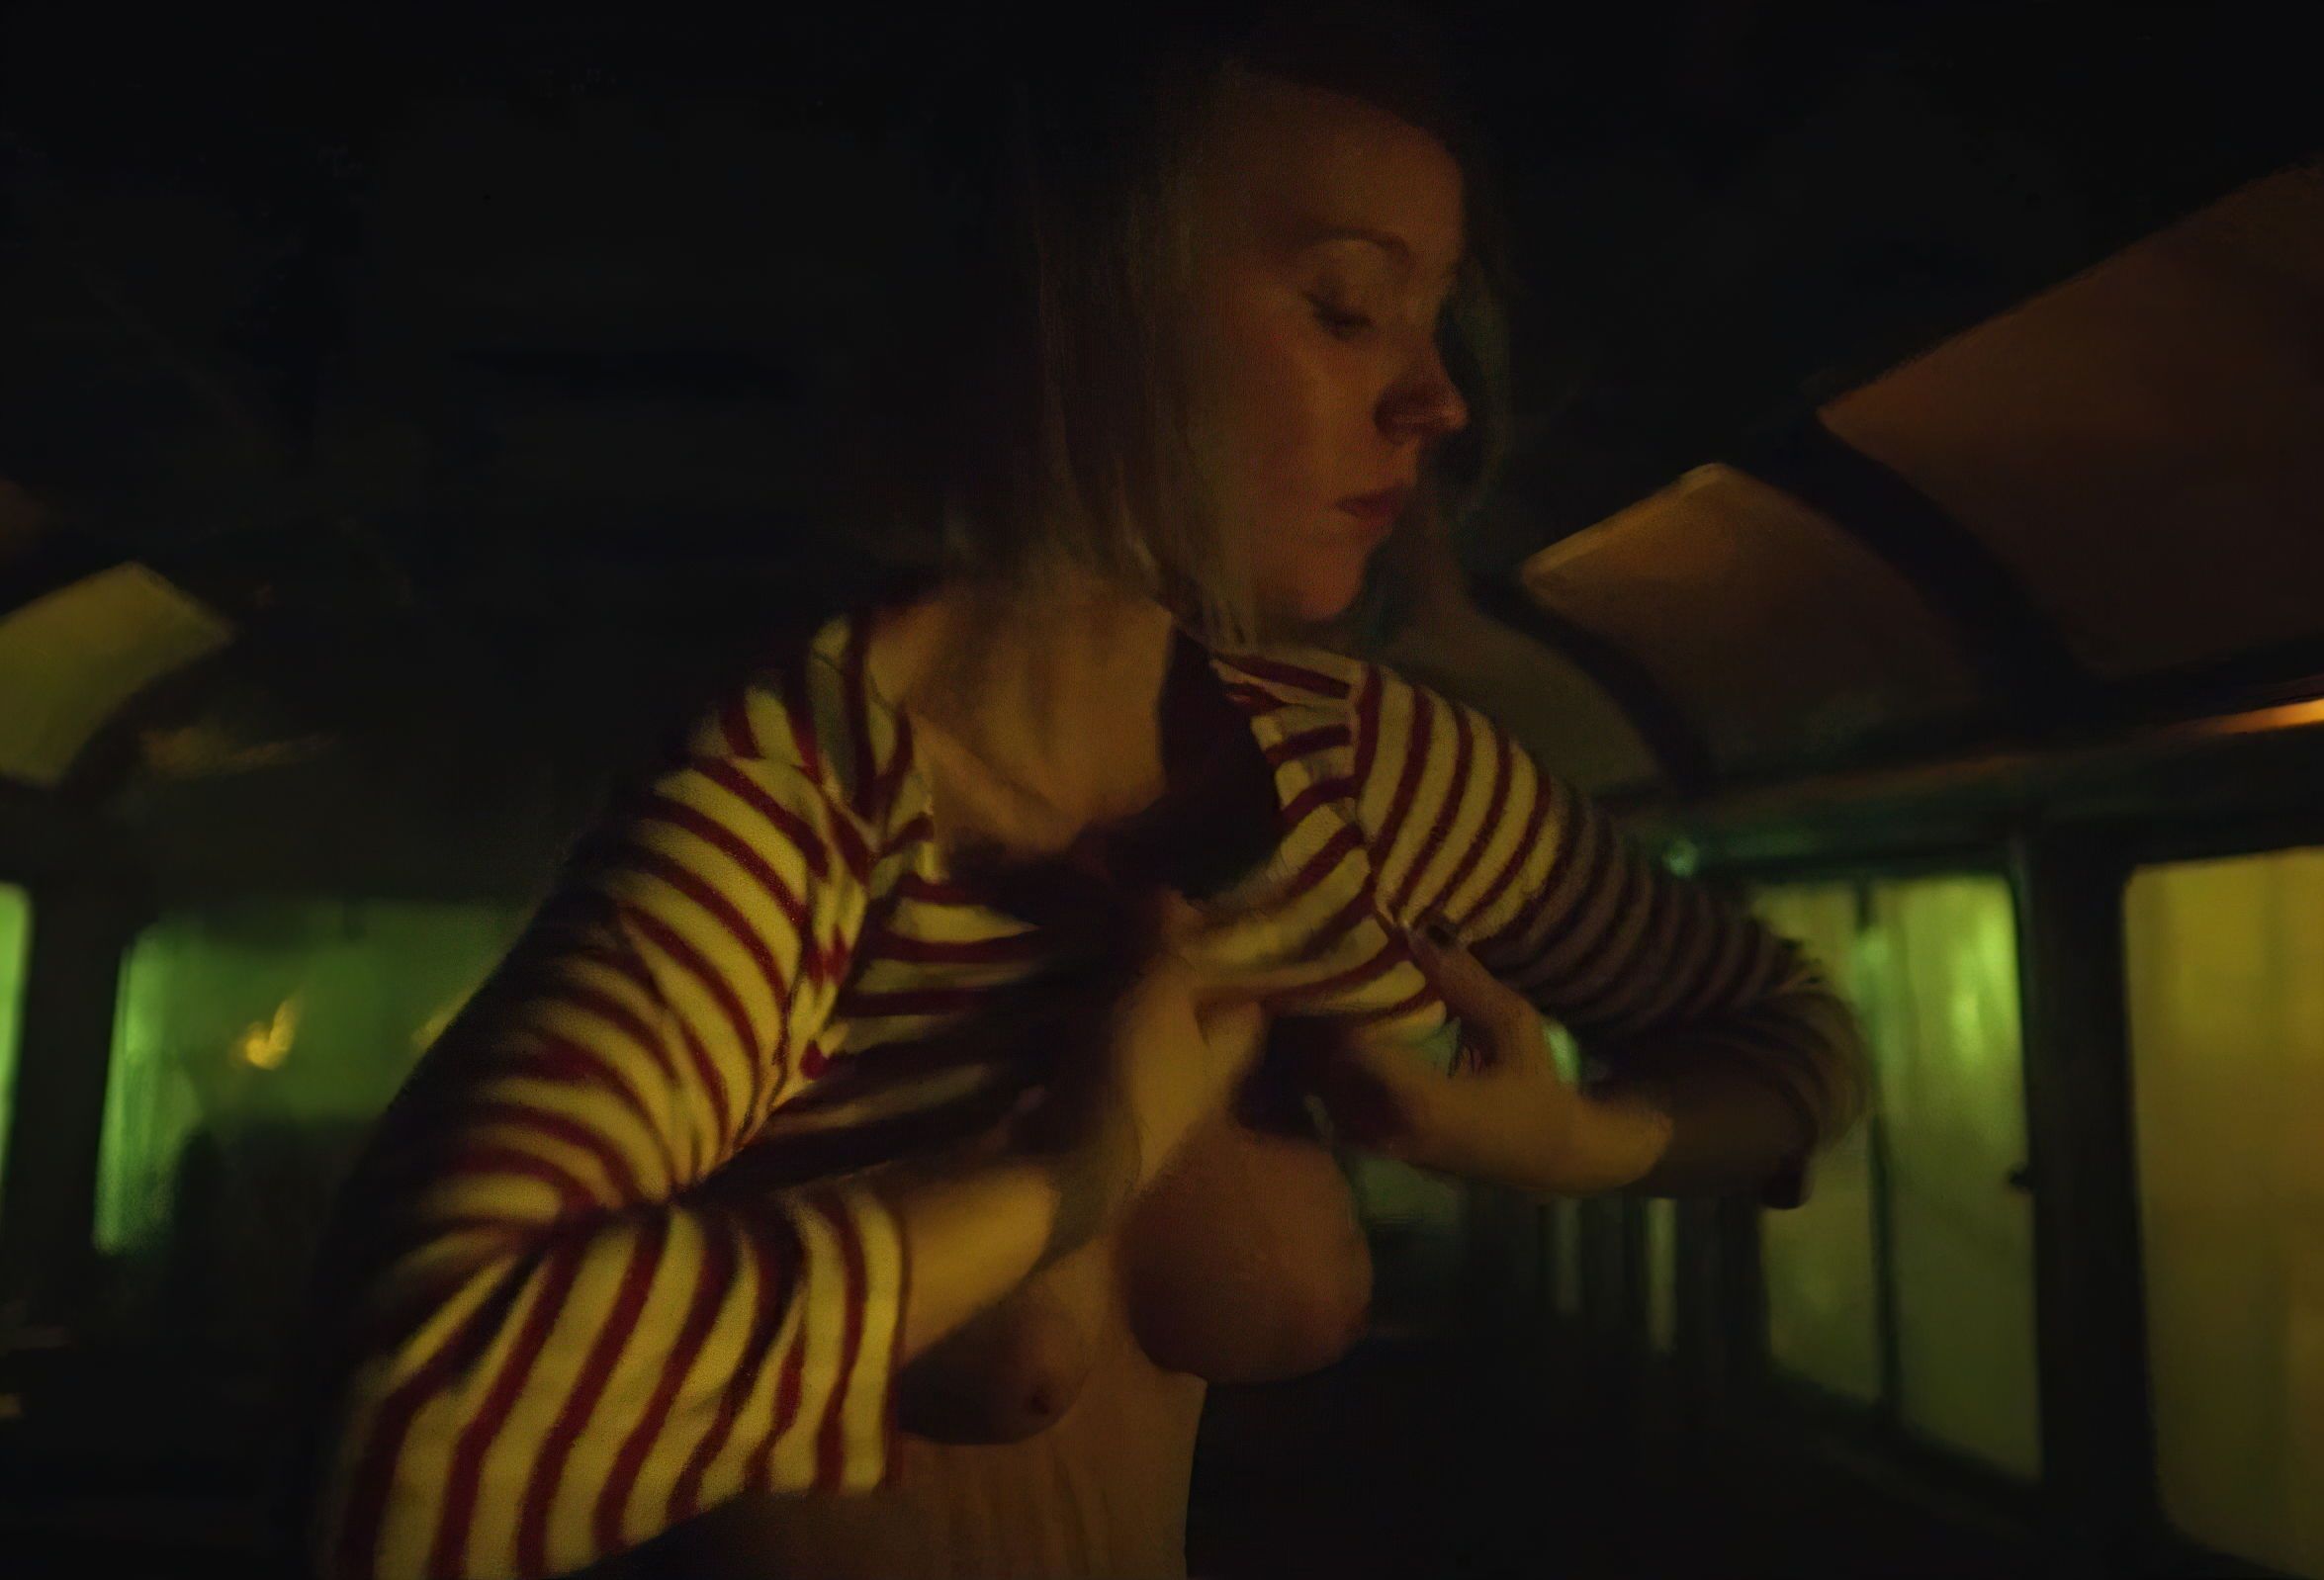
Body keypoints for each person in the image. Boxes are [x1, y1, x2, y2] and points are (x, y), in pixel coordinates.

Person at [295, 9, 1868, 1578]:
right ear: (1080, 316)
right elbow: (406, 1423)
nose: (1434, 400)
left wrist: (1572, 1142)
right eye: (1345, 308)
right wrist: (1071, 1172)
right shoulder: (812, 805)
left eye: (1431, 317)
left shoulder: (1355, 772)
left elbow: (1790, 1035)